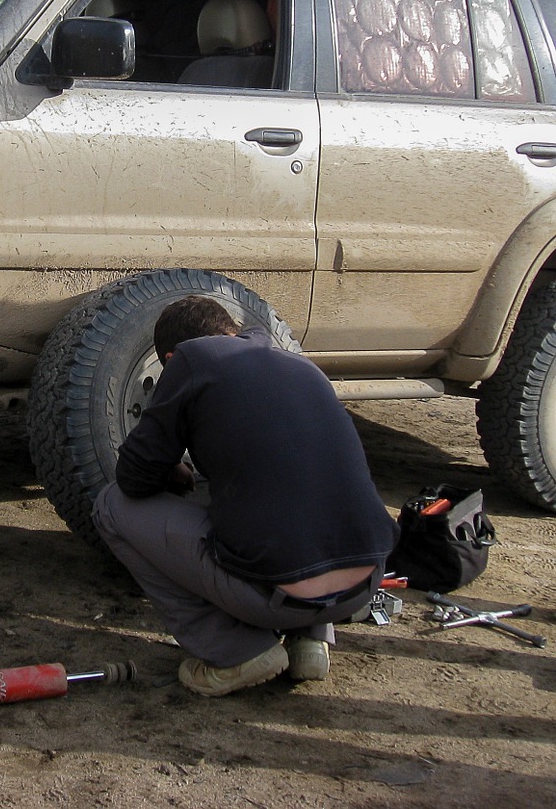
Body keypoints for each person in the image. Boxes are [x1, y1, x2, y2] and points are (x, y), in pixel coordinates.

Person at [93, 295, 398, 697]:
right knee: (292, 486)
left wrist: (170, 468)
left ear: (169, 356)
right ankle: (311, 641)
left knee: (112, 507)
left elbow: (132, 478)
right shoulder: (297, 363)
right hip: (365, 583)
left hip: (276, 597)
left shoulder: (189, 360)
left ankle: (237, 651)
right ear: (231, 331)